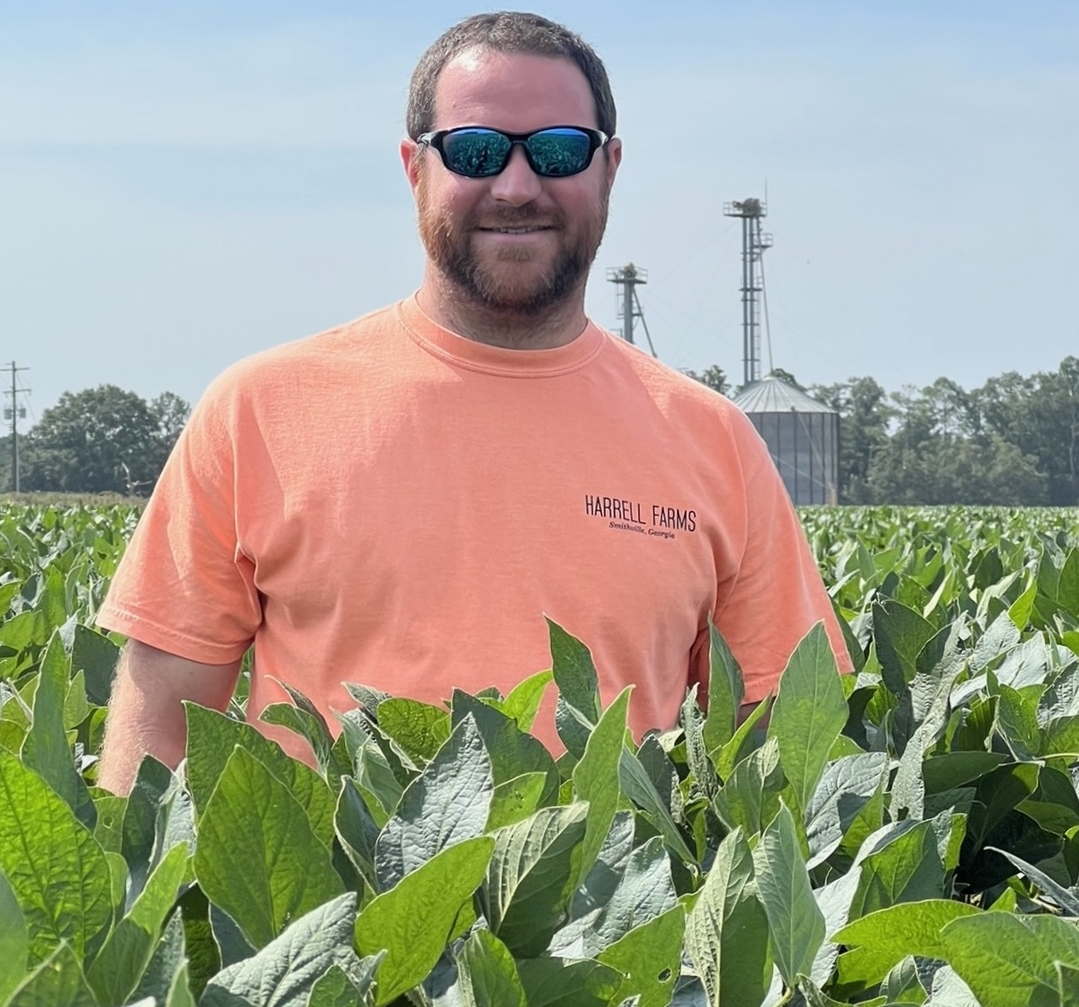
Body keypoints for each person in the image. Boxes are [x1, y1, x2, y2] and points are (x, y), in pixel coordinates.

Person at [96, 11, 849, 794]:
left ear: (610, 168)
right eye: (476, 151)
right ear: (414, 166)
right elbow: (163, 727)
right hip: (322, 907)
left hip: (621, 909)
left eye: (559, 151)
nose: (517, 186)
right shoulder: (258, 409)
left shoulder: (714, 439)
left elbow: (777, 741)